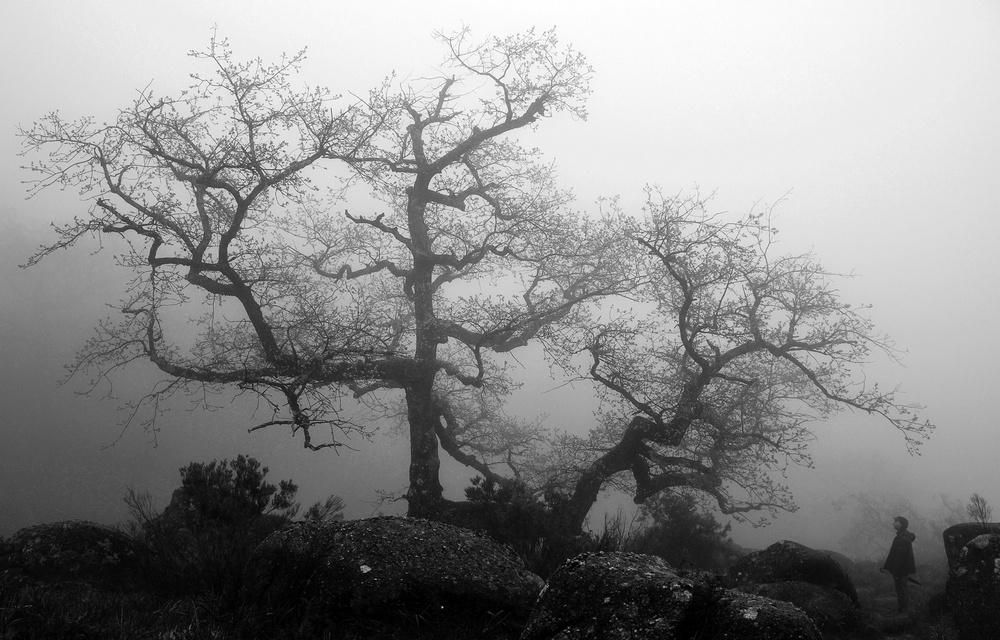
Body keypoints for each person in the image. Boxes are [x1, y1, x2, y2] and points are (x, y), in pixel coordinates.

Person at [880, 515, 916, 614]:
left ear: (901, 524)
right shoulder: (903, 536)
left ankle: (903, 612)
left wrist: (896, 572)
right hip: (902, 570)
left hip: (900, 571)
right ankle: (904, 610)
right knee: (902, 589)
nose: (894, 523)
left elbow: (899, 558)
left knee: (901, 590)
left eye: (896, 522)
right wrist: (886, 566)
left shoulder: (901, 539)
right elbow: (895, 555)